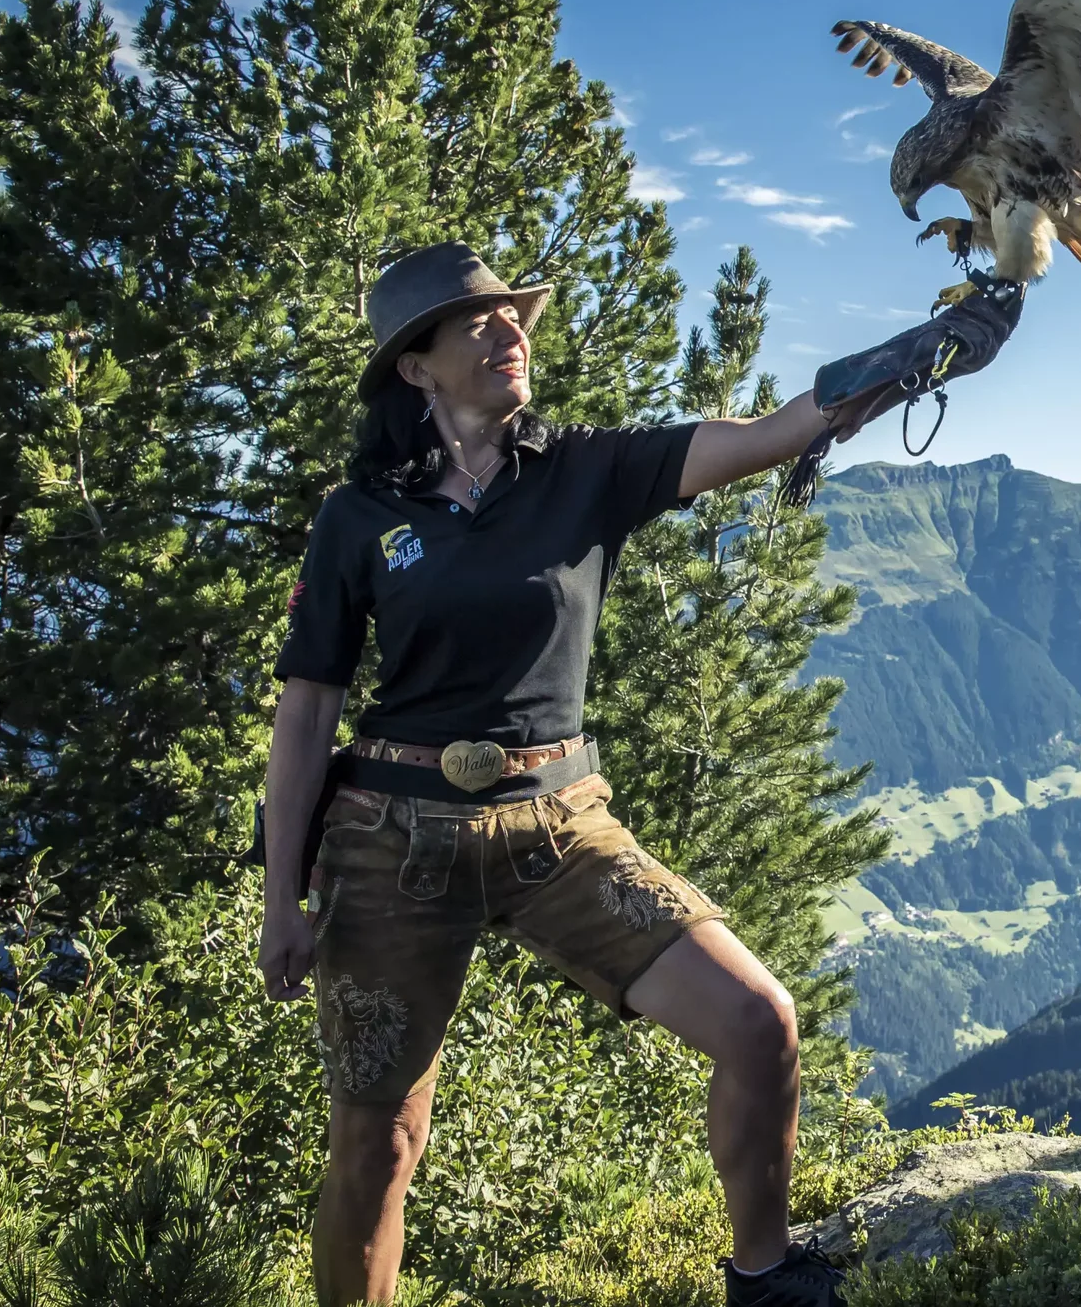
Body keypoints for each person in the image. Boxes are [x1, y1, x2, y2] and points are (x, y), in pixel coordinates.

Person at [256, 242, 1018, 1307]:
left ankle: (764, 1278)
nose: (507, 329)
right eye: (475, 322)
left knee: (759, 1023)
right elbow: (307, 714)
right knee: (378, 1142)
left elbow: (768, 437)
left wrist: (912, 357)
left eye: (512, 315)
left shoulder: (582, 472)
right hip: (390, 843)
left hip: (559, 828)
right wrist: (278, 896)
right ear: (415, 368)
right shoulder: (360, 520)